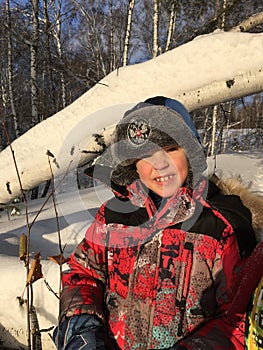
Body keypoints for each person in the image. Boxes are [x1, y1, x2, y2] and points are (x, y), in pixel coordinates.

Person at [54, 96, 259, 350]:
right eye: (146, 154)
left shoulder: (221, 226)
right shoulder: (113, 218)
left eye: (171, 149)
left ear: (190, 151)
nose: (160, 164)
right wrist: (82, 330)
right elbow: (83, 275)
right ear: (132, 164)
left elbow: (238, 320)